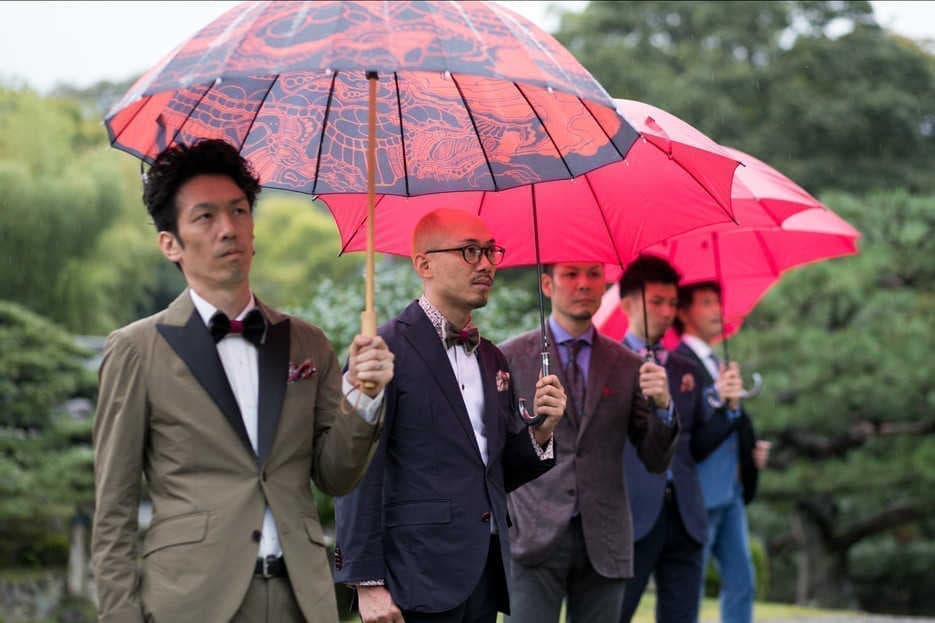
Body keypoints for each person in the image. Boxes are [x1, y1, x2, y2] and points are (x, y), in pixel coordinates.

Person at [91, 139, 394, 623]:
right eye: (205, 217)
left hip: (301, 599)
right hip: (191, 602)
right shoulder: (136, 349)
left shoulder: (307, 342)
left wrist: (364, 398)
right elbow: (114, 510)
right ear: (170, 243)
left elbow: (335, 475)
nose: (228, 228)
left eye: (238, 211)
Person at [333, 208, 567, 623]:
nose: (487, 264)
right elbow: (356, 471)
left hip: (483, 573)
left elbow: (490, 473)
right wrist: (366, 582)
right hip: (413, 576)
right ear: (424, 264)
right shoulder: (383, 350)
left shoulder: (493, 358)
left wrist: (542, 432)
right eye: (470, 251)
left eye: (491, 252)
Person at [498, 262, 679, 623]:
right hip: (531, 535)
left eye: (594, 275)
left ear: (605, 284)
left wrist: (663, 407)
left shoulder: (628, 364)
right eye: (571, 274)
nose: (584, 284)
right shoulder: (510, 357)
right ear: (547, 285)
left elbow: (655, 459)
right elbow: (496, 454)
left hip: (606, 538)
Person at [617, 256, 737, 623]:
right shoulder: (609, 362)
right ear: (628, 304)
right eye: (656, 302)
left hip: (685, 513)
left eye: (672, 303)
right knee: (614, 613)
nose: (668, 312)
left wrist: (728, 409)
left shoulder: (686, 369)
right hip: (632, 513)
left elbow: (696, 444)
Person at [674, 281, 771, 623]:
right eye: (706, 302)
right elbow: (691, 434)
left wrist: (749, 452)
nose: (718, 310)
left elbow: (735, 420)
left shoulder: (718, 362)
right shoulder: (680, 364)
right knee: (690, 585)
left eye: (718, 302)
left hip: (731, 491)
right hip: (700, 492)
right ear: (683, 312)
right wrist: (724, 403)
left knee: (743, 581)